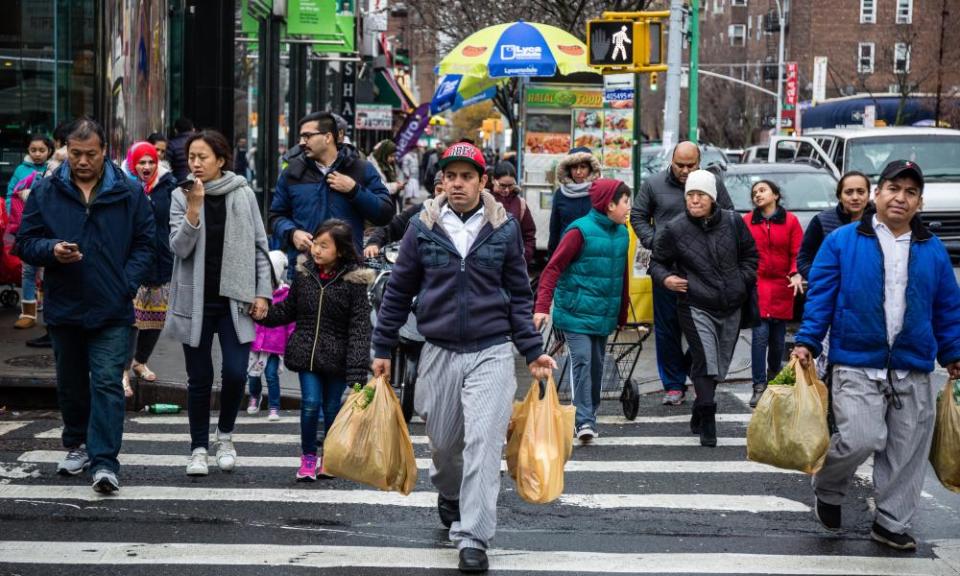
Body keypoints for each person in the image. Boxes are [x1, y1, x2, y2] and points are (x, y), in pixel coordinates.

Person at [371, 142, 556, 574]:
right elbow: (398, 291)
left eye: (467, 176)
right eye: (451, 176)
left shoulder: (504, 228)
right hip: (437, 351)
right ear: (442, 182)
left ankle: (473, 536)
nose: (458, 183)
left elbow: (517, 296)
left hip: (491, 351)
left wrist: (532, 350)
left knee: (484, 446)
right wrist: (381, 349)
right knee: (446, 445)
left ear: (481, 182)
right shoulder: (422, 226)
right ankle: (450, 493)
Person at [791, 160, 960, 551]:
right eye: (893, 188)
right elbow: (821, 298)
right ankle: (829, 487)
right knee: (859, 438)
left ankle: (891, 522)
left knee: (906, 450)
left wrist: (953, 352)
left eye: (911, 192)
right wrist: (807, 342)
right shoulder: (843, 241)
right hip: (856, 360)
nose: (901, 198)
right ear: (877, 194)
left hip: (912, 365)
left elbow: (947, 307)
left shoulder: (931, 249)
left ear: (919, 201)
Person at [15, 117, 156, 493]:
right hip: (65, 306)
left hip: (113, 307)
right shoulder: (46, 191)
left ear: (104, 152)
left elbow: (147, 243)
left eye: (89, 154)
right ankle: (76, 443)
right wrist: (51, 250)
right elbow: (24, 242)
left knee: (108, 382)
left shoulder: (128, 191)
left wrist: (126, 283)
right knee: (72, 384)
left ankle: (105, 461)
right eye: (75, 154)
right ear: (67, 151)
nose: (82, 161)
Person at [166, 129, 272, 477]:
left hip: (235, 300)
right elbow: (179, 248)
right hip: (195, 301)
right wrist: (194, 208)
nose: (195, 163)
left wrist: (262, 292)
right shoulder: (181, 195)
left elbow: (259, 246)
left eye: (202, 157)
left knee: (237, 372)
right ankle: (198, 447)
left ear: (221, 160)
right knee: (199, 377)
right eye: (191, 157)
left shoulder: (242, 193)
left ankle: (224, 436)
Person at [649, 170, 757, 447]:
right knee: (706, 359)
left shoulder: (734, 222)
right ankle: (708, 416)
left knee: (718, 362)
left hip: (731, 303)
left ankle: (699, 408)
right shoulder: (675, 228)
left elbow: (750, 256)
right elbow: (656, 263)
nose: (694, 201)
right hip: (695, 303)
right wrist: (667, 279)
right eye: (690, 196)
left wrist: (741, 281)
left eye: (700, 195)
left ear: (712, 198)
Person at [260, 220, 373, 481]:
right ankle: (308, 456)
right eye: (316, 244)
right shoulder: (304, 275)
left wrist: (357, 375)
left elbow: (359, 329)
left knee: (332, 409)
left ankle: (329, 458)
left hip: (337, 358)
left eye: (325, 246)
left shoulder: (354, 283)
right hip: (307, 353)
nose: (317, 251)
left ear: (341, 251)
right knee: (310, 404)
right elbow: (288, 310)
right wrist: (262, 314)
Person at [631, 141, 735, 406]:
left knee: (705, 328)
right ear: (671, 160)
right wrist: (653, 240)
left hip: (704, 270)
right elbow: (638, 215)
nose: (685, 170)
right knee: (667, 328)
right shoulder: (653, 184)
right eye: (680, 165)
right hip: (667, 268)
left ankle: (696, 373)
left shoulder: (712, 183)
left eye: (691, 165)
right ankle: (673, 385)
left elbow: (729, 215)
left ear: (699, 162)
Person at [534, 179, 631, 442]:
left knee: (598, 367)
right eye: (625, 202)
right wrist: (542, 306)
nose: (628, 207)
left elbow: (622, 277)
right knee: (583, 362)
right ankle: (583, 420)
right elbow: (552, 268)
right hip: (574, 313)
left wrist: (622, 314)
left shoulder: (622, 233)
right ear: (610, 205)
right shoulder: (579, 232)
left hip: (603, 314)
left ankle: (590, 413)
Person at [269, 111, 393, 269]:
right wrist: (292, 233)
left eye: (307, 136)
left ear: (328, 137)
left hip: (349, 272)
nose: (301, 142)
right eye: (301, 136)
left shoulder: (361, 169)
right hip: (304, 270)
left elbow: (385, 214)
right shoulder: (291, 173)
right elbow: (276, 217)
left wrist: (354, 190)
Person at [796, 171, 871, 377]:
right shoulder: (823, 221)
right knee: (824, 361)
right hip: (829, 302)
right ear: (840, 196)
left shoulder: (879, 223)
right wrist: (821, 280)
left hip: (864, 306)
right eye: (849, 192)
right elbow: (803, 258)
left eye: (860, 192)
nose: (855, 197)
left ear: (869, 195)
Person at [123, 141, 177, 396]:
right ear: (132, 163)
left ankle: (140, 362)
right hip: (131, 262)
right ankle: (122, 370)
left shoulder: (168, 186)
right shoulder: (122, 185)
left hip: (161, 262)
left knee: (154, 320)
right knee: (131, 321)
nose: (146, 166)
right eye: (141, 162)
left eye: (151, 162)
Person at [743, 180, 802, 408]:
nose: (758, 195)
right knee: (759, 336)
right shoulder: (747, 221)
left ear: (775, 195)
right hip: (757, 286)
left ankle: (773, 380)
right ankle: (758, 386)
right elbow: (741, 251)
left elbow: (798, 251)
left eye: (763, 190)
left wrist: (795, 273)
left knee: (777, 341)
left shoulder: (791, 221)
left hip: (782, 286)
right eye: (755, 192)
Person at [247, 250, 294, 421]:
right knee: (252, 375)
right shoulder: (255, 292)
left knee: (271, 375)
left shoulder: (286, 294)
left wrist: (290, 338)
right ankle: (254, 396)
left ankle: (274, 406)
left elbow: (291, 321)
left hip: (275, 345)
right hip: (255, 343)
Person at [363, 170, 444, 258]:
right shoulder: (422, 209)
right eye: (439, 190)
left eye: (447, 191)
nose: (443, 196)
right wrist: (374, 242)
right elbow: (392, 225)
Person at [548, 147, 600, 257]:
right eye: (574, 167)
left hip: (594, 253)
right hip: (567, 253)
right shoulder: (560, 193)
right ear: (568, 169)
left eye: (583, 167)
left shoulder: (600, 192)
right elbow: (554, 229)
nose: (578, 172)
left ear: (591, 169)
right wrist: (552, 257)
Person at [490, 162, 536, 264]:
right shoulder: (482, 201)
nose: (506, 190)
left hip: (514, 265)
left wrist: (524, 257)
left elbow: (529, 235)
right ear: (493, 180)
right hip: (487, 265)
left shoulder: (520, 204)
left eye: (510, 186)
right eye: (502, 185)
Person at [7, 134, 54, 209]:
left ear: (49, 151)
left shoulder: (53, 169)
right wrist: (10, 213)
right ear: (28, 150)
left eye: (42, 151)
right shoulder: (20, 169)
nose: (37, 154)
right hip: (22, 215)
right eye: (33, 150)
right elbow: (10, 193)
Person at [369, 140, 404, 214]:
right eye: (391, 156)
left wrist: (398, 184)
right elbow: (378, 186)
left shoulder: (389, 165)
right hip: (380, 204)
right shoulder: (373, 166)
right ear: (384, 154)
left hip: (392, 202)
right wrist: (395, 186)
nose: (393, 159)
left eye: (394, 156)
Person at [167, 117, 195, 181]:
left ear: (176, 130)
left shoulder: (172, 144)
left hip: (180, 181)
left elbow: (167, 165)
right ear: (192, 129)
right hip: (199, 179)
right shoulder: (201, 141)